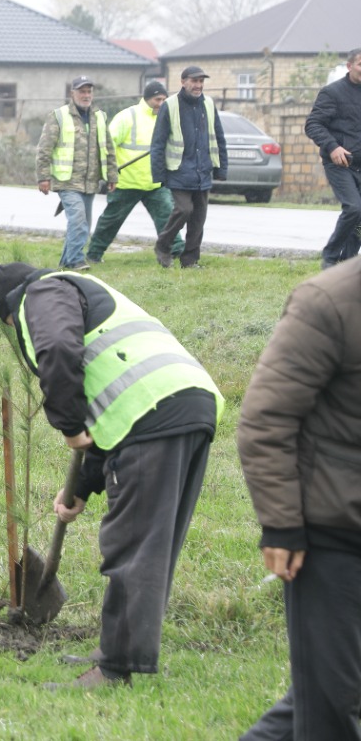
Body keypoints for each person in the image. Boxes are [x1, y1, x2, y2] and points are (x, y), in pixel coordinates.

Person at [0, 262, 222, 689]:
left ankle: (115, 669)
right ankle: (115, 650)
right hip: (185, 404)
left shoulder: (41, 294)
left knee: (133, 544)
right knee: (151, 544)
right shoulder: (84, 289)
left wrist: (68, 424)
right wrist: (82, 486)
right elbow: (111, 400)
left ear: (8, 311)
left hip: (152, 414)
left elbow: (58, 349)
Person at [238, 258, 361, 739]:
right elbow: (265, 420)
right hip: (334, 534)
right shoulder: (330, 302)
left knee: (331, 691)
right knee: (330, 705)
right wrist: (282, 525)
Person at [86, 81, 185, 264]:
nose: (161, 103)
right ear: (147, 98)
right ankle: (94, 254)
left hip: (155, 183)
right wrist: (108, 173)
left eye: (164, 99)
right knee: (111, 221)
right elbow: (107, 146)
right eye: (157, 99)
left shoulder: (167, 119)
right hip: (126, 182)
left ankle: (178, 252)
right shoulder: (127, 117)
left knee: (168, 219)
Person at [150, 65, 229, 268]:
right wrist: (159, 174)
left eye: (201, 81)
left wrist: (221, 168)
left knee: (198, 219)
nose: (198, 85)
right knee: (184, 210)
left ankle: (190, 260)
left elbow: (219, 137)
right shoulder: (170, 105)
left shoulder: (208, 104)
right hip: (179, 171)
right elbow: (158, 143)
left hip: (203, 171)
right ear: (183, 82)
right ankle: (163, 245)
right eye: (194, 81)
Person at [35, 75, 114, 271]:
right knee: (78, 220)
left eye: (89, 91)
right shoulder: (58, 116)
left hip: (90, 182)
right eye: (82, 92)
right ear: (72, 93)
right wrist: (43, 177)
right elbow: (44, 149)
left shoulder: (100, 117)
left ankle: (65, 261)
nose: (86, 95)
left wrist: (112, 176)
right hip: (67, 181)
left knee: (83, 223)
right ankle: (75, 261)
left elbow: (109, 148)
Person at [303, 47, 361, 269]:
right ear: (349, 66)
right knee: (354, 208)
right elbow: (313, 124)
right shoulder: (333, 92)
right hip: (340, 163)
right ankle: (330, 256)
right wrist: (333, 147)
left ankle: (348, 263)